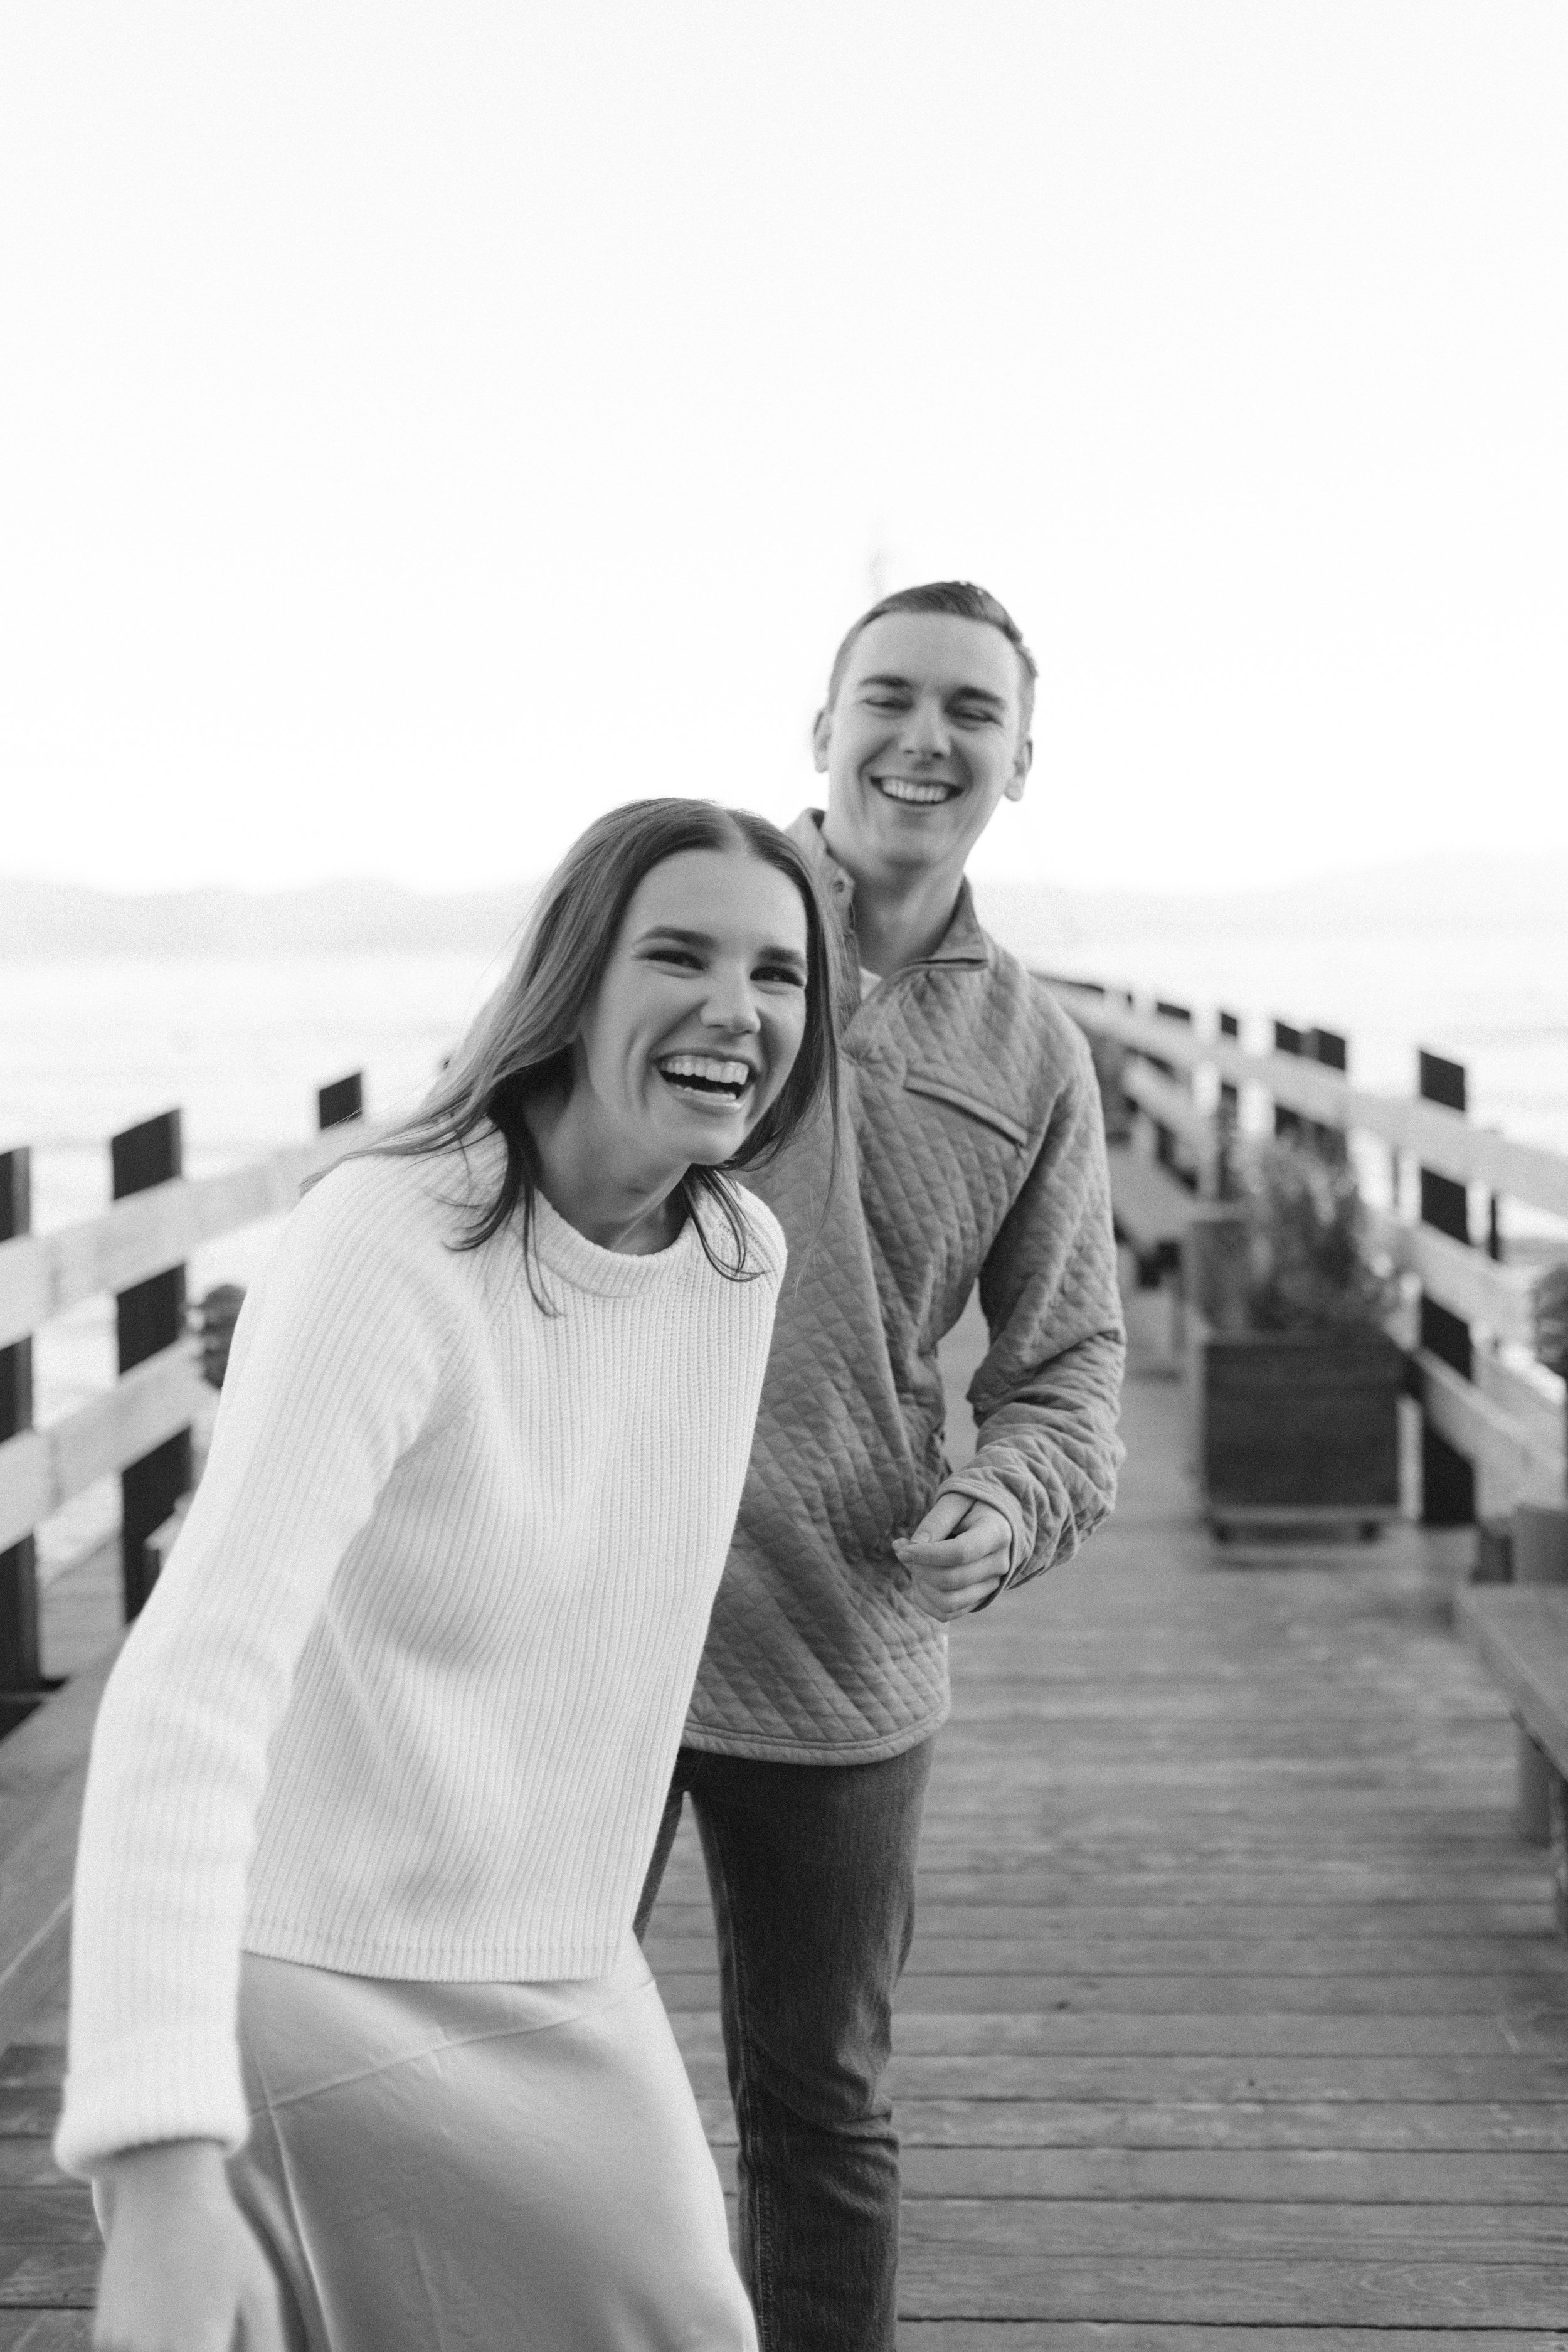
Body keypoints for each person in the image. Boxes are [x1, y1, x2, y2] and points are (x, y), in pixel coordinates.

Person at [58, 798, 841, 2352]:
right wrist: (157, 2153)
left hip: (559, 1962)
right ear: (573, 982)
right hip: (309, 1964)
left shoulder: (735, 1258)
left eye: (779, 973)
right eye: (675, 954)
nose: (734, 1010)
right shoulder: (386, 1237)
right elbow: (191, 1681)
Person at [635, 585, 1127, 2350]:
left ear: (1017, 758)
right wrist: (327, 1281)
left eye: (969, 710)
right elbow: (485, 1139)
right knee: (504, 2050)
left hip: (843, 1640)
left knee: (821, 2105)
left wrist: (1006, 1498)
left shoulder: (1036, 1052)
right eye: (890, 696)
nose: (925, 738)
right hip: (582, 1598)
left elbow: (1067, 1365)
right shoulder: (680, 919)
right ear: (821, 723)